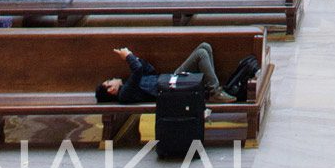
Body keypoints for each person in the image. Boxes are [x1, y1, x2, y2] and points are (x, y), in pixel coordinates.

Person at [96, 43, 234, 106]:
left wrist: (135, 58)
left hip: (171, 80)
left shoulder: (127, 85)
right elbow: (137, 71)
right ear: (111, 90)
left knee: (205, 47)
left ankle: (212, 88)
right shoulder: (125, 94)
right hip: (172, 88)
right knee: (201, 54)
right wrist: (128, 56)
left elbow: (149, 71)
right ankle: (214, 91)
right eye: (109, 82)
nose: (112, 79)